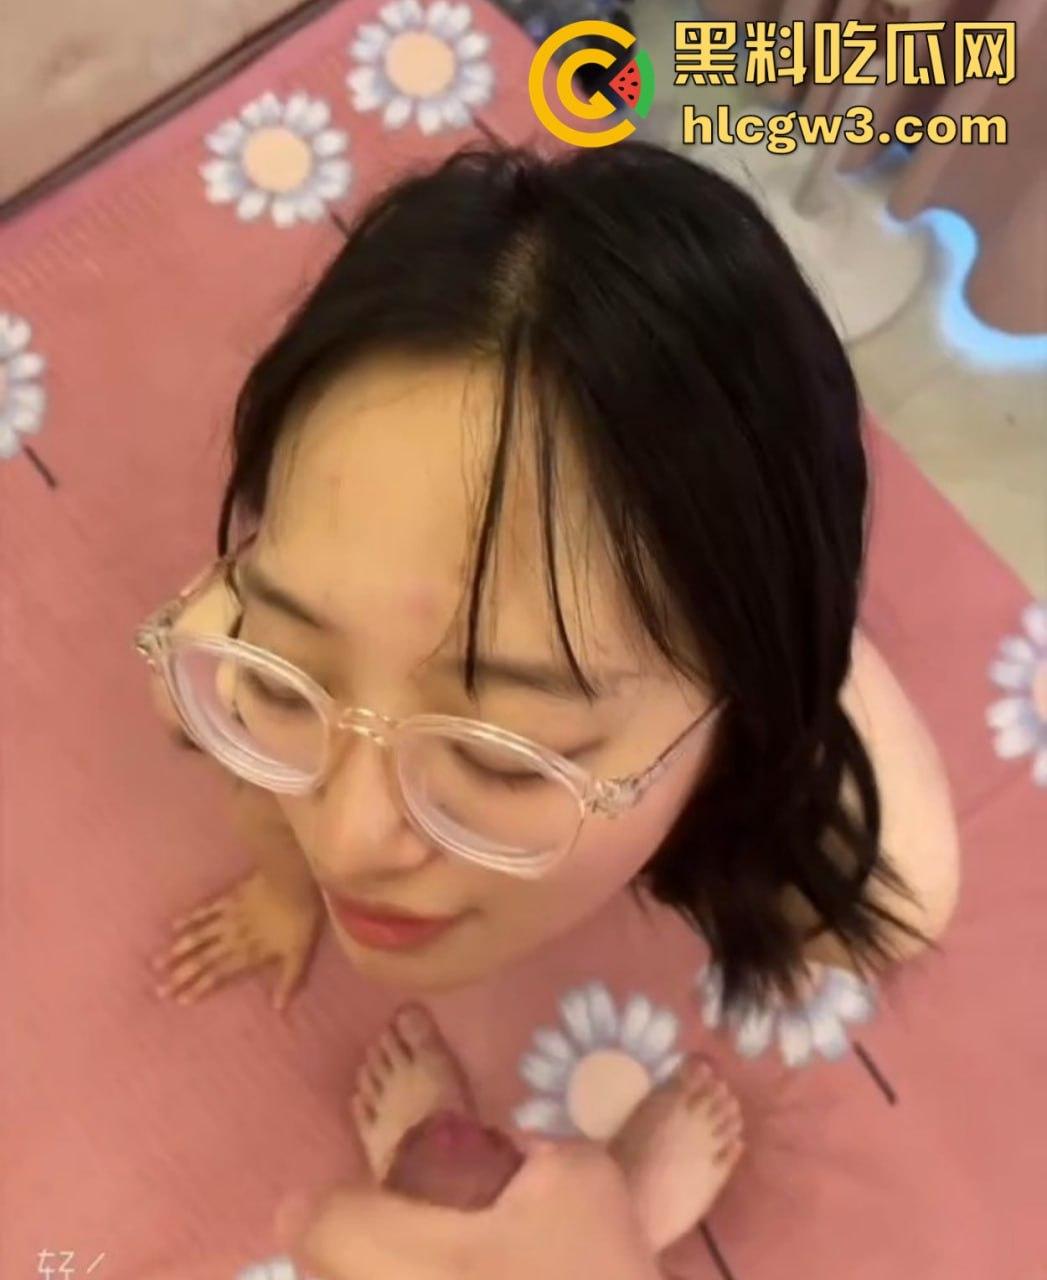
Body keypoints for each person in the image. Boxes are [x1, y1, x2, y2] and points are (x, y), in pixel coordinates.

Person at [137, 139, 961, 1266]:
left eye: (506, 751)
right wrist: (284, 890)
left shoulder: (866, 867)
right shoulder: (209, 657)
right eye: (294, 662)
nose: (345, 840)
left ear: (749, 696)